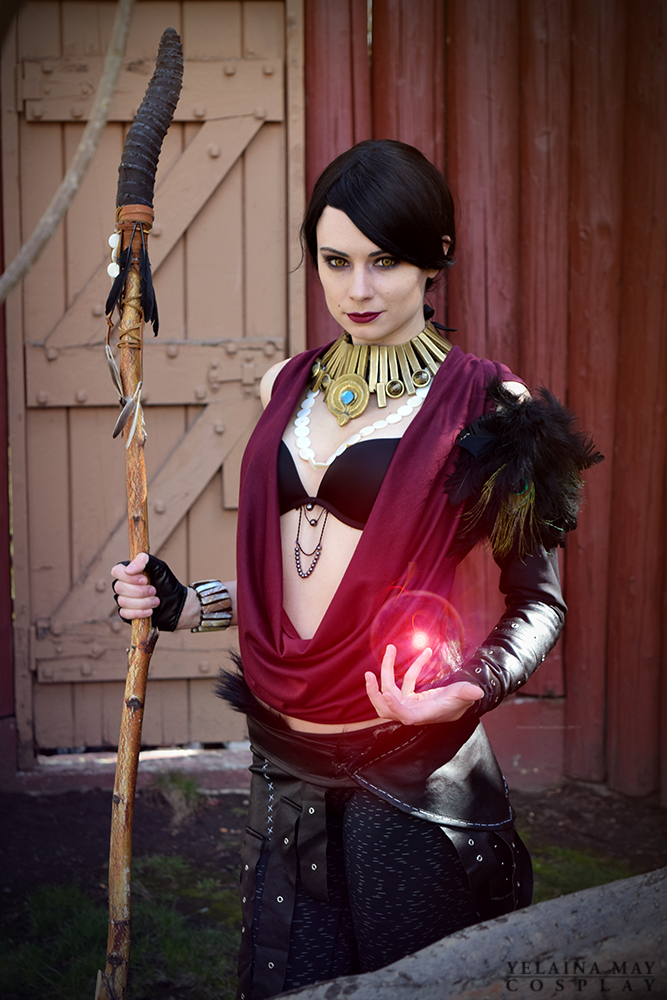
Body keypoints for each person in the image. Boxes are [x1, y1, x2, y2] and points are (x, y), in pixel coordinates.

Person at [112, 140, 600, 1000]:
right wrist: (188, 604)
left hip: (408, 771)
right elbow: (297, 593)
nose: (357, 289)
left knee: (415, 989)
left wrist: (469, 687)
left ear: (435, 258)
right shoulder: (283, 387)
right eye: (335, 261)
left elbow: (538, 602)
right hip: (285, 762)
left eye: (385, 261)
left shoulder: (492, 407)